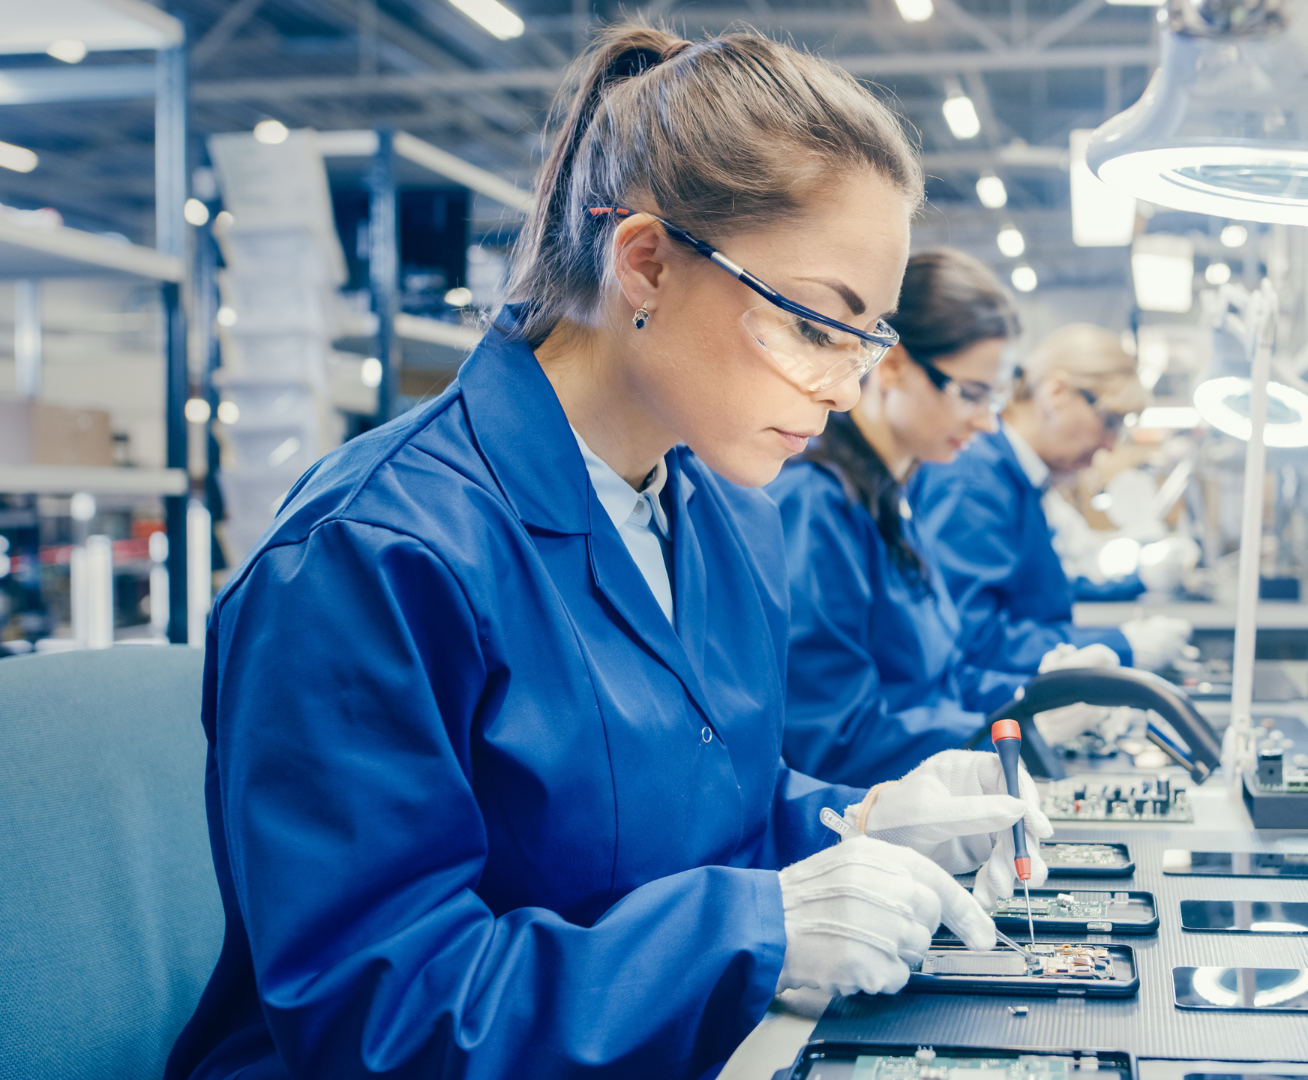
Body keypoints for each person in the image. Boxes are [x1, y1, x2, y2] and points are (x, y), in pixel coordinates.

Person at [165, 24, 1050, 1080]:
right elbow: (380, 1013)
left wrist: (856, 822)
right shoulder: (373, 556)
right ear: (645, 264)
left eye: (869, 342)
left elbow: (710, 807)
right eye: (818, 326)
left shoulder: (716, 514)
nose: (847, 388)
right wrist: (759, 928)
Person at [769, 249, 1034, 787]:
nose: (987, 423)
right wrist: (999, 733)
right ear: (891, 366)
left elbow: (940, 679)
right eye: (972, 395)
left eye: (996, 398)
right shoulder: (818, 507)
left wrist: (1035, 702)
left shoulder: (893, 496)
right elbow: (833, 738)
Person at [912, 323, 1192, 677]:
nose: (1110, 444)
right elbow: (974, 639)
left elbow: (1033, 592)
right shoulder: (974, 482)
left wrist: (1137, 583)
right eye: (1108, 421)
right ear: (1057, 392)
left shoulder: (1017, 480)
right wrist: (1117, 646)